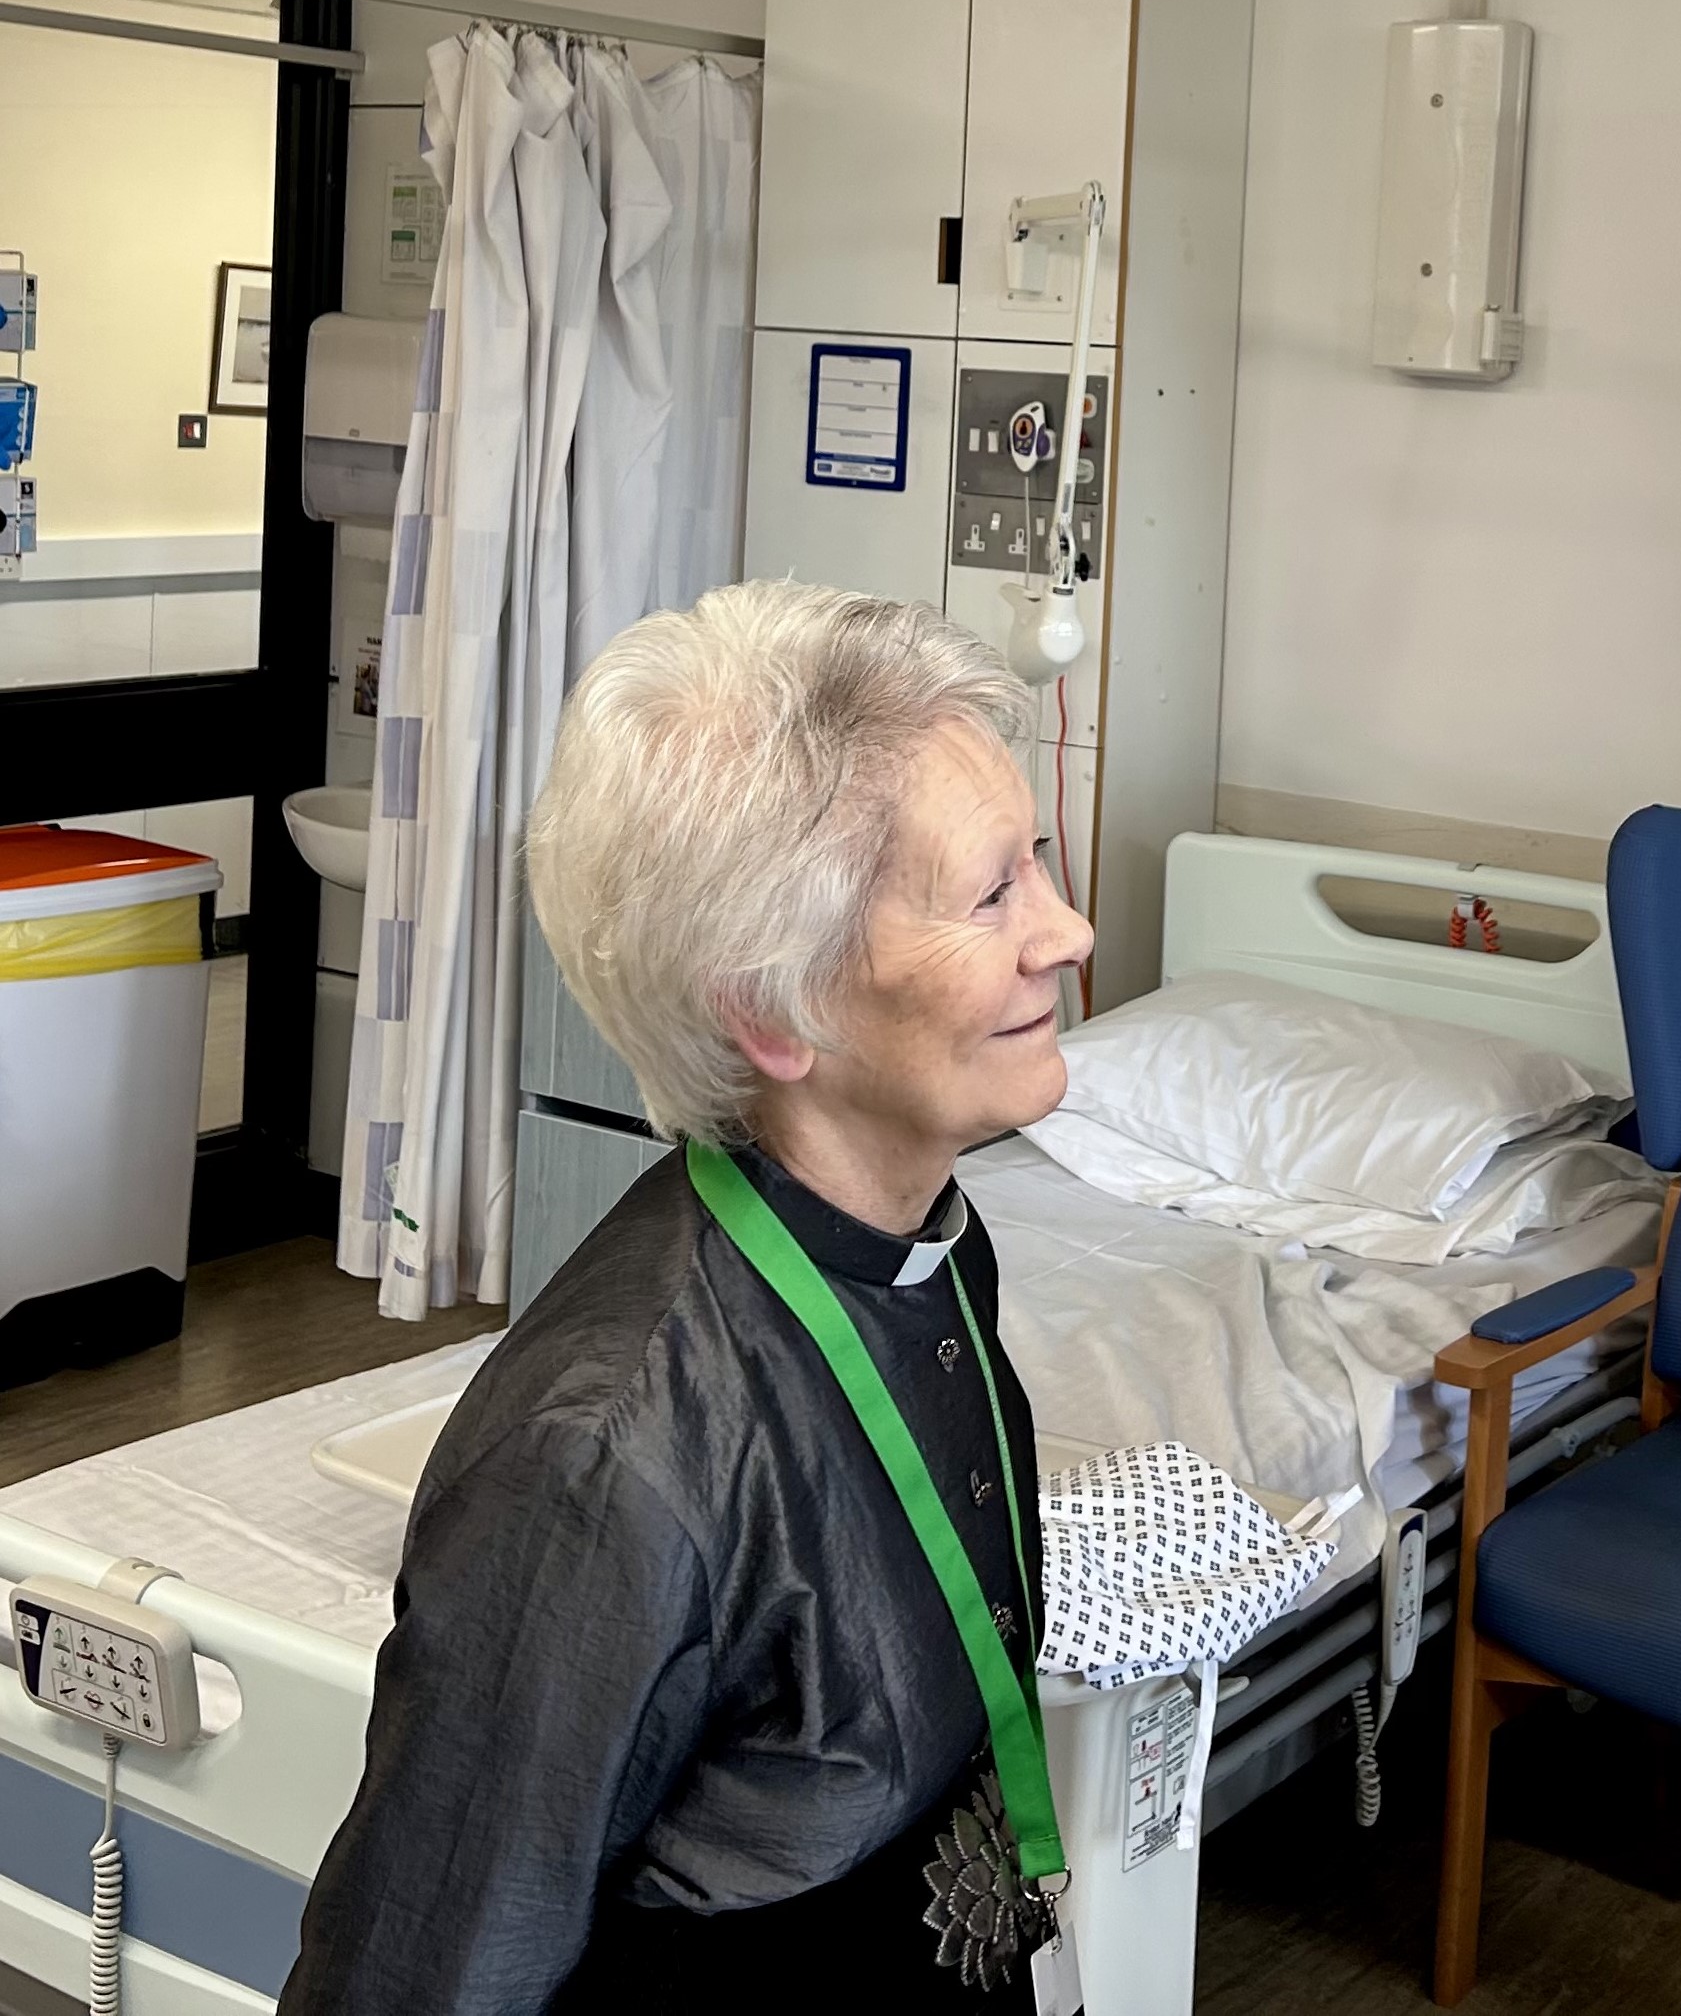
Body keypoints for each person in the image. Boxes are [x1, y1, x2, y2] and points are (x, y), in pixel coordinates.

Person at [282, 582, 1094, 2013]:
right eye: (992, 893)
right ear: (776, 1014)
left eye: (1036, 864)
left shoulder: (937, 1246)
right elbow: (420, 1977)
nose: (1071, 931)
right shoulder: (607, 1457)